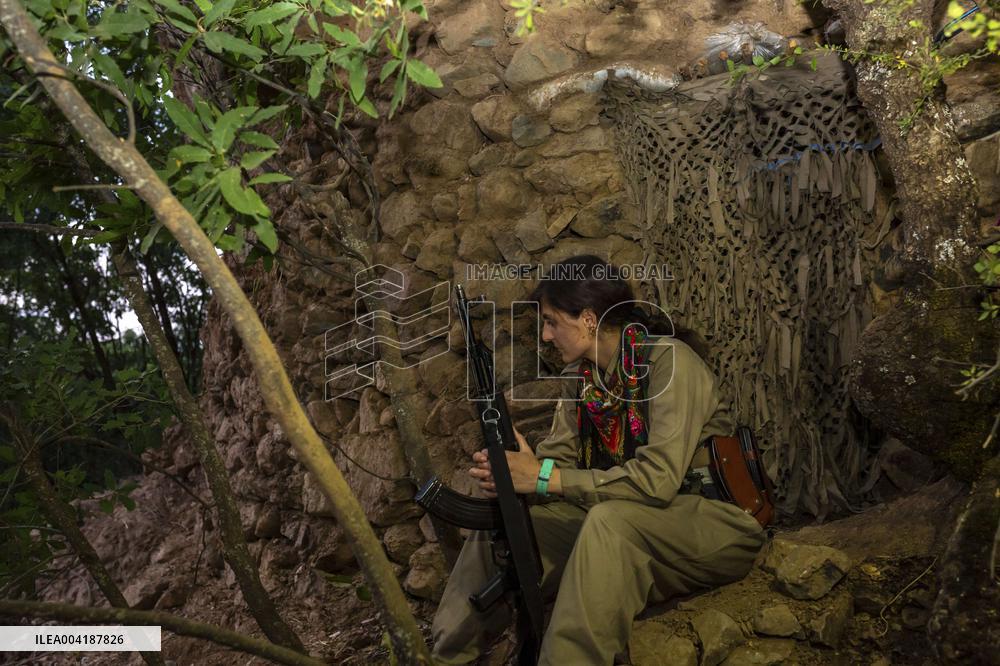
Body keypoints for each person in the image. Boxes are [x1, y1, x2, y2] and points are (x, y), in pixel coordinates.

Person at [430, 255, 766, 665]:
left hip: (715, 524)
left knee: (610, 522)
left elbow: (656, 481)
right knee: (508, 523)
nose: (546, 336)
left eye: (552, 321)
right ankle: (445, 657)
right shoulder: (581, 380)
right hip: (632, 522)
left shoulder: (670, 363)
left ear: (588, 319)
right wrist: (521, 469)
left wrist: (543, 477)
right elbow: (556, 466)